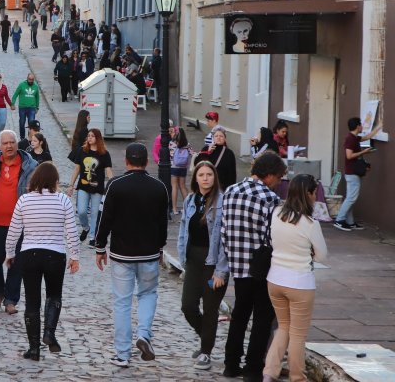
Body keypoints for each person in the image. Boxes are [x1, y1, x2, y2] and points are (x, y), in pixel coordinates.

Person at [95, 142, 169, 368]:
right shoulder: (159, 187)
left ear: (126, 161)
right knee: (148, 294)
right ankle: (144, 334)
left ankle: (123, 354)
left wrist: (100, 247)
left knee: (122, 303)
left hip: (122, 255)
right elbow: (163, 224)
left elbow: (104, 217)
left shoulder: (115, 185)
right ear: (146, 162)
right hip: (148, 253)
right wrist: (160, 248)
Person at [220, 151, 286, 380]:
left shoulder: (230, 191)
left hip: (237, 265)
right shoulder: (270, 198)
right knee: (262, 318)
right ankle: (252, 368)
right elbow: (272, 236)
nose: (278, 183)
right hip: (261, 267)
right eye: (278, 178)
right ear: (269, 175)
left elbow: (224, 230)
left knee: (239, 314)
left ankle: (230, 364)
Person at [6, 162, 79, 360]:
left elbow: (13, 231)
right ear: (55, 180)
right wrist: (75, 256)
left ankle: (34, 348)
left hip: (30, 254)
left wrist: (10, 253)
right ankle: (49, 333)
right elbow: (71, 231)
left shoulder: (24, 200)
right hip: (55, 254)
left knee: (32, 301)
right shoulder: (63, 200)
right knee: (54, 296)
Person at [264, 174, 328, 382]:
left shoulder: (276, 213)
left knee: (283, 327)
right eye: (314, 193)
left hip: (275, 279)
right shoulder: (310, 223)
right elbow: (322, 255)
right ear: (308, 194)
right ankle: (297, 376)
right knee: (298, 334)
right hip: (300, 282)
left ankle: (269, 373)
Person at [177, 161, 229, 372]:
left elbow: (226, 239)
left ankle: (206, 351)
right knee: (188, 306)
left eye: (209, 174)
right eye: (201, 175)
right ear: (195, 178)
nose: (205, 178)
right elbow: (183, 230)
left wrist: (221, 271)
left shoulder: (222, 202)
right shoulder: (190, 200)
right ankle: (206, 336)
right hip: (193, 261)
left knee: (210, 309)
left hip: (212, 263)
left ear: (214, 177)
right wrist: (182, 257)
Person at [0, 130, 38, 314]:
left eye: (12, 142)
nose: (9, 146)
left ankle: (11, 299)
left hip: (21, 224)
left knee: (17, 261)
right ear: (0, 146)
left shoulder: (30, 165)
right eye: (5, 143)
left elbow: (37, 193)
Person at [334, 116, 381, 231]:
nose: (362, 126)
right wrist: (363, 151)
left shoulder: (355, 138)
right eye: (360, 124)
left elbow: (367, 136)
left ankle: (350, 222)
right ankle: (339, 220)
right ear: (357, 126)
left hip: (353, 172)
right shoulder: (350, 139)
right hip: (352, 173)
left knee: (351, 197)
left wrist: (379, 126)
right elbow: (349, 156)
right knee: (351, 198)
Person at [69, 128, 114, 247]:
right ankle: (86, 227)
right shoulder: (82, 151)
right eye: (88, 136)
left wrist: (113, 185)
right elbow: (77, 169)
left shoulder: (104, 154)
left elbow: (109, 171)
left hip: (97, 188)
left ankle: (92, 237)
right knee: (82, 211)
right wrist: (71, 185)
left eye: (92, 136)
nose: (89, 138)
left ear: (98, 138)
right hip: (83, 186)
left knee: (95, 213)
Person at [10, 73, 40, 141]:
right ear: (27, 78)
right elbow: (15, 94)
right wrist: (12, 104)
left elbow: (37, 97)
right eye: (29, 79)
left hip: (32, 108)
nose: (30, 81)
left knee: (31, 124)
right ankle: (22, 138)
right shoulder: (22, 85)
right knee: (22, 123)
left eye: (32, 79)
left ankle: (30, 138)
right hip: (22, 107)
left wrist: (37, 107)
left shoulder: (35, 86)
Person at [170, 127, 192, 215]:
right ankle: (186, 208)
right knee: (182, 186)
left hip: (174, 167)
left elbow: (170, 155)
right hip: (183, 168)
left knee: (174, 187)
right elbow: (192, 153)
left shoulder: (172, 143)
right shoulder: (187, 144)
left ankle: (174, 209)